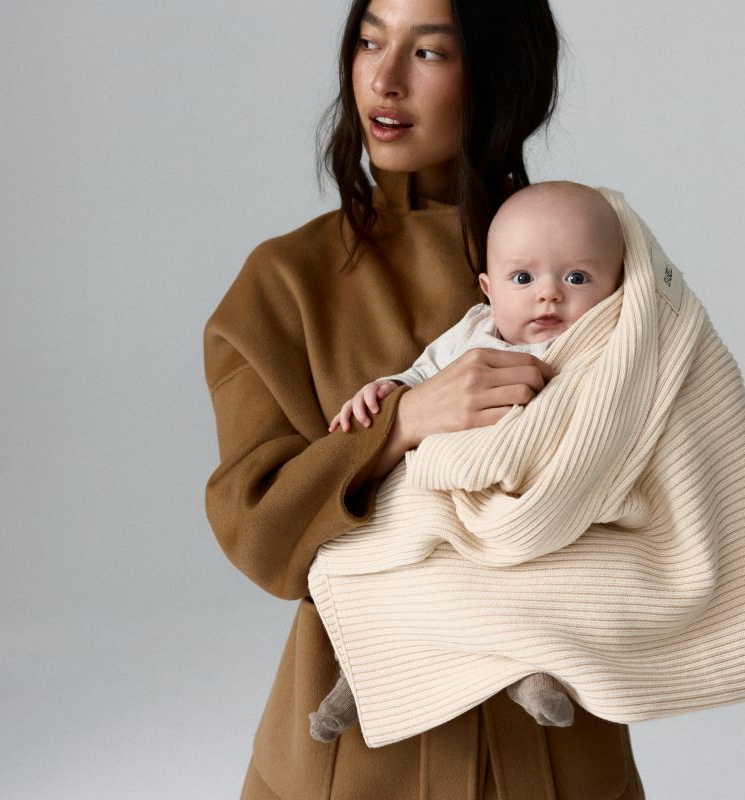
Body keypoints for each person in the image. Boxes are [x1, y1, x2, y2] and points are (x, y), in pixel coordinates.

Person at [202, 0, 646, 796]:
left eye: (429, 53)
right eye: (370, 41)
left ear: (499, 74)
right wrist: (401, 422)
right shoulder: (282, 284)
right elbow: (258, 535)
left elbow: (662, 476)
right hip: (354, 759)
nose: (384, 77)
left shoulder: (595, 259)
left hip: (551, 751)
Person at [310, 181, 626, 743]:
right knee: (384, 569)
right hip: (444, 492)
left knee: (530, 585)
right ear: (489, 288)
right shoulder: (474, 333)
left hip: (528, 502)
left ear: (617, 287)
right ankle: (358, 677)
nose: (548, 296)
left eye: (576, 278)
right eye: (523, 279)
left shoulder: (600, 348)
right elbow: (419, 378)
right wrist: (381, 391)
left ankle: (528, 673)